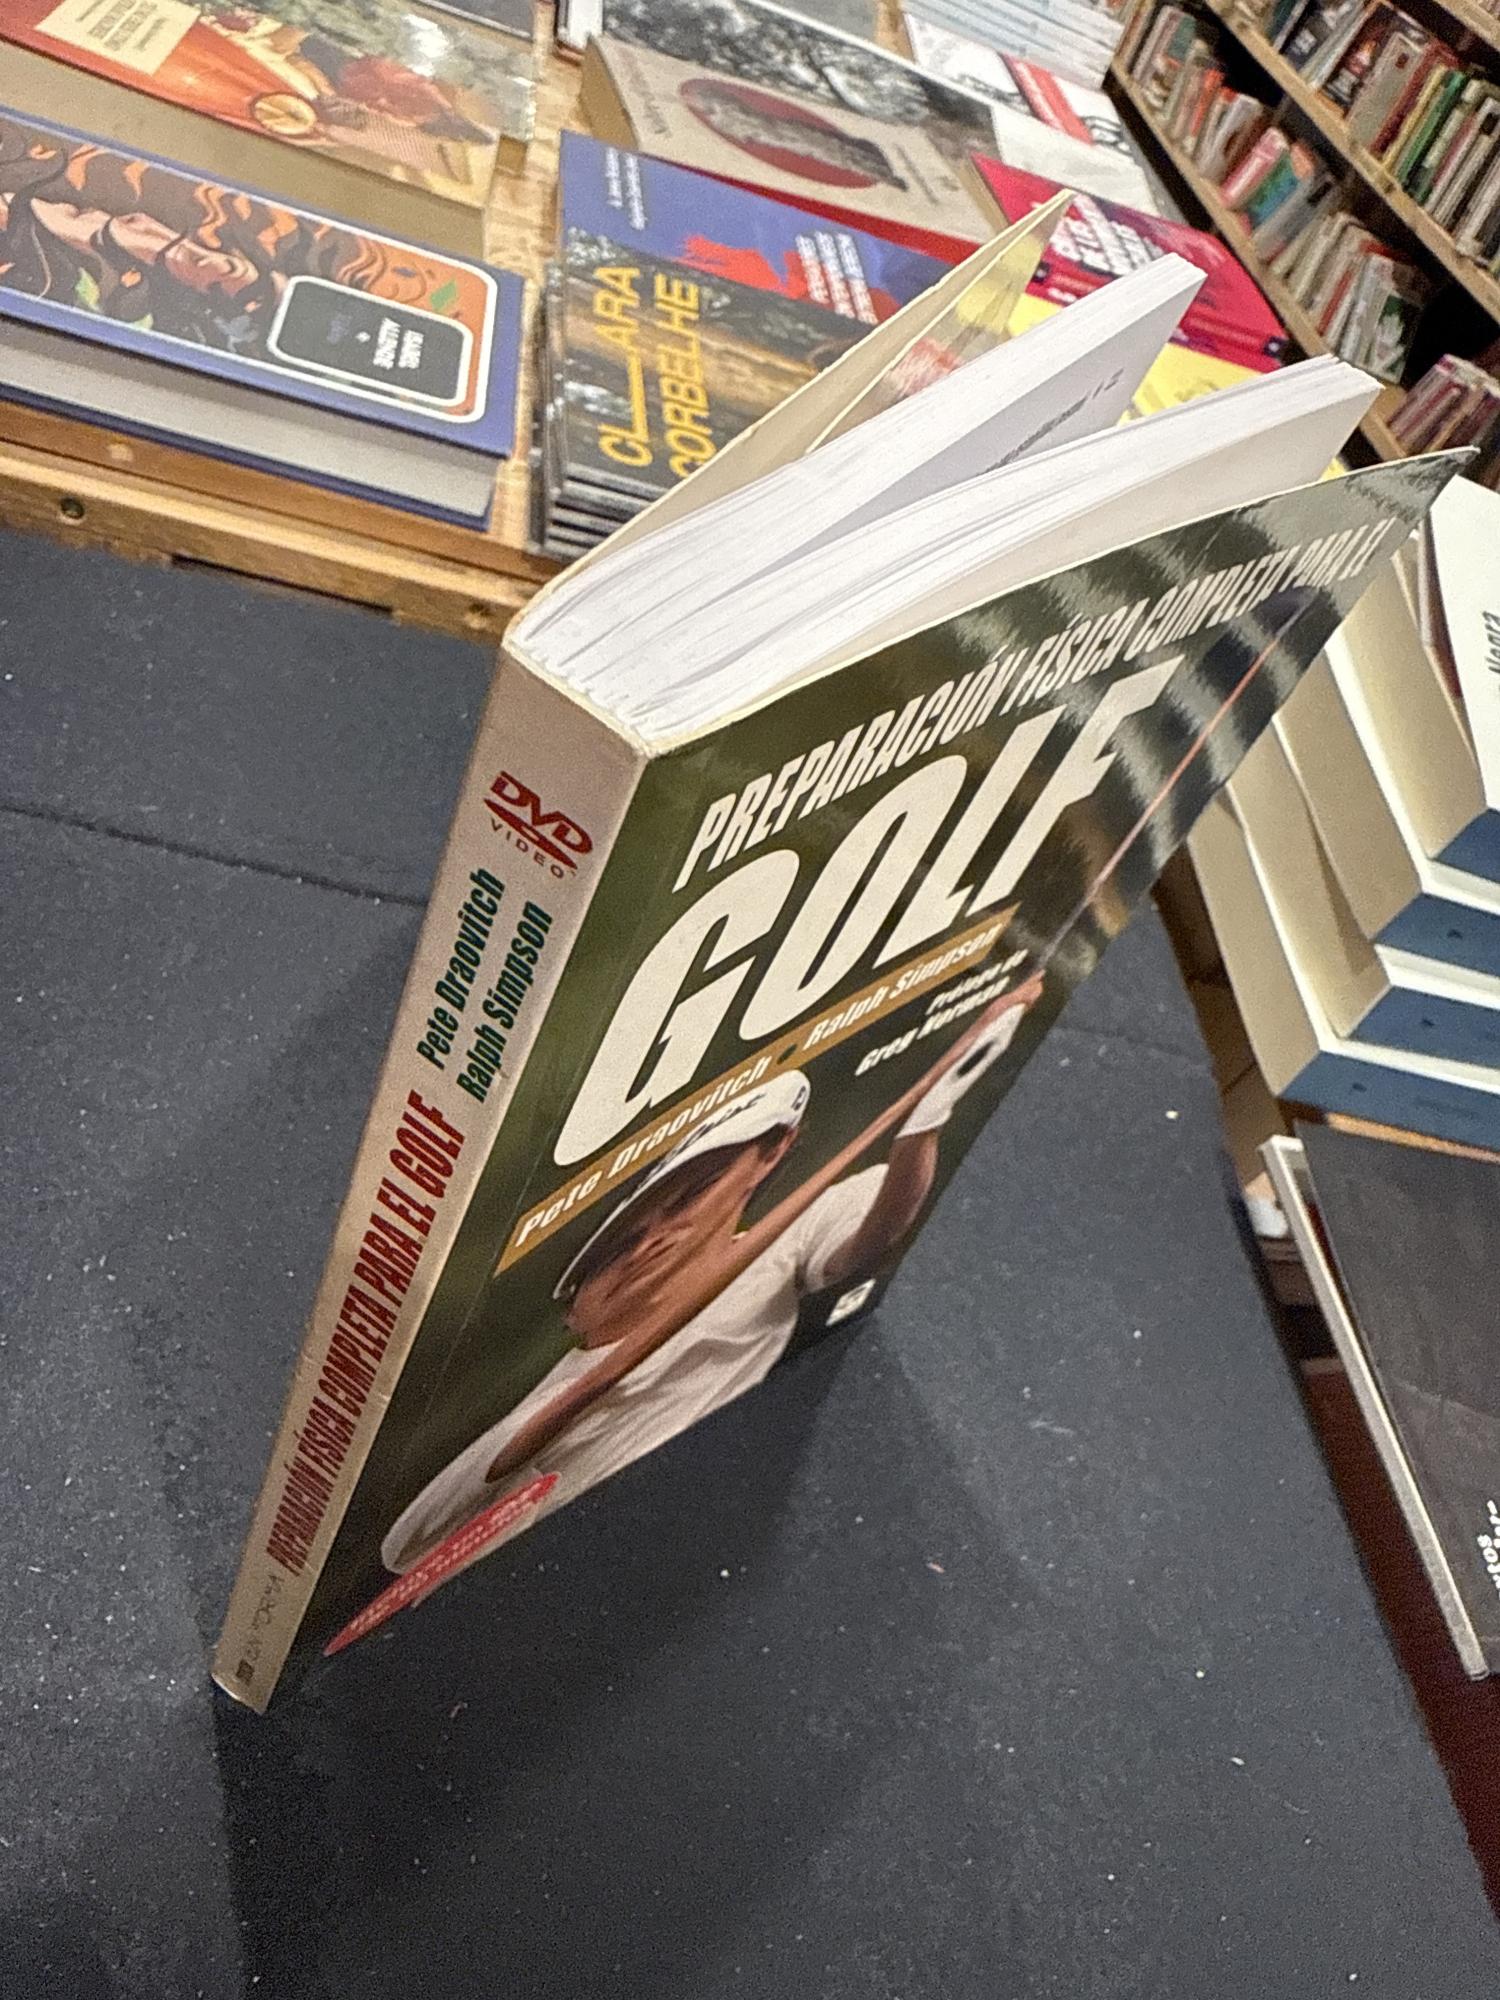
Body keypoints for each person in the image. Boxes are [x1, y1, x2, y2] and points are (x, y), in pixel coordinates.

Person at [382, 976, 1044, 1574]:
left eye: (687, 1197)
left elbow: (874, 1237)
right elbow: (402, 1549)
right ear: (573, 1313)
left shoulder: (791, 1241)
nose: (649, 1244)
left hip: (722, 1502)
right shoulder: (547, 1405)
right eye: (619, 1247)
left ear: (771, 1155)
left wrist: (925, 1121)